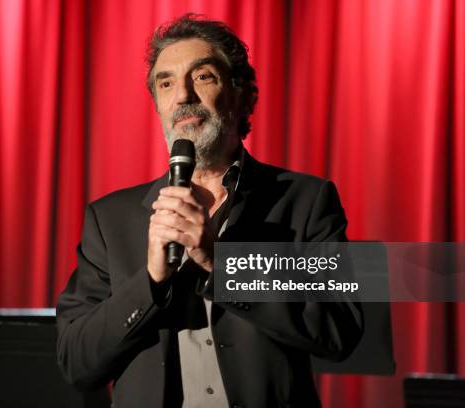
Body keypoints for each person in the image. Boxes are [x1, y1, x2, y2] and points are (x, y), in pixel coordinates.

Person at [56, 14, 363, 408]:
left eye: (202, 76)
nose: (182, 95)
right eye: (166, 83)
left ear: (243, 94)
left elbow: (341, 331)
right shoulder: (109, 218)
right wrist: (149, 282)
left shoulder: (306, 200)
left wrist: (221, 265)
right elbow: (76, 363)